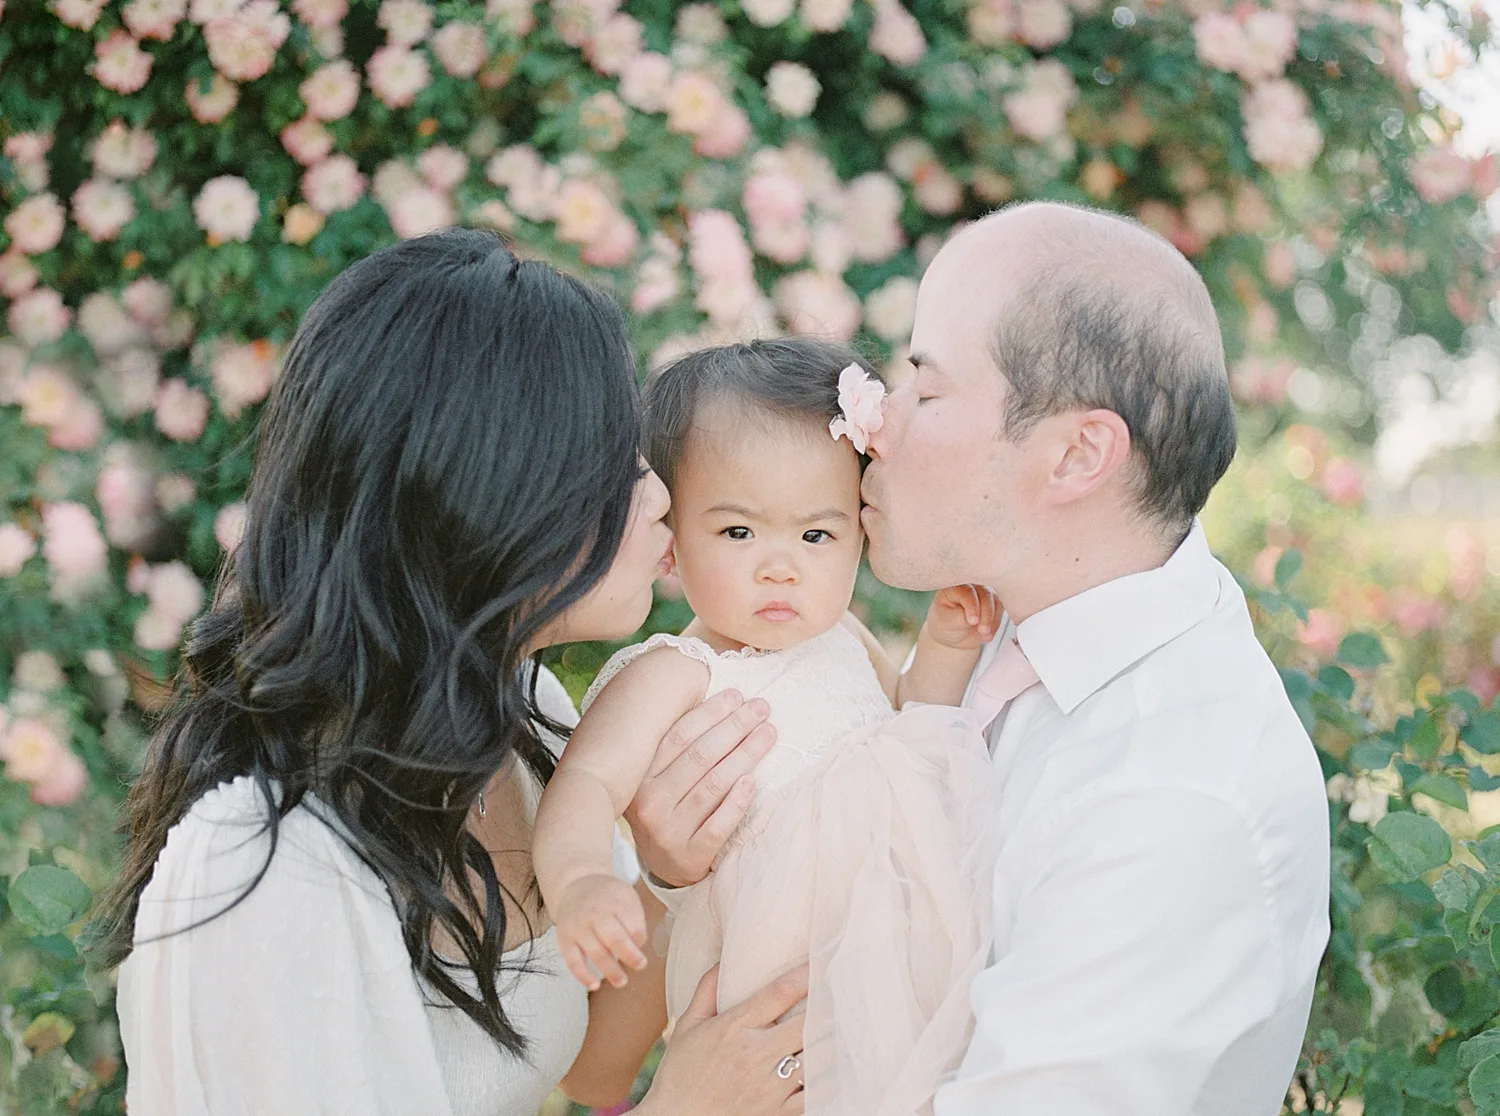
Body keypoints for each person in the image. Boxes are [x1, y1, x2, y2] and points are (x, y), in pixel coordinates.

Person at [625, 202, 1332, 1114]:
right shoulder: (995, 629)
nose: (872, 426)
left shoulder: (1170, 799)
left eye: (924, 386)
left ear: (1077, 454)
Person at [95, 229, 809, 1116]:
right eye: (612, 460)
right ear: (487, 487)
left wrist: (665, 875)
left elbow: (591, 1070)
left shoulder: (516, 721)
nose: (660, 493)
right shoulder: (265, 865)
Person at [532, 339, 1002, 1116]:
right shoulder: (673, 675)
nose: (780, 566)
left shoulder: (844, 639)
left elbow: (908, 727)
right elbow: (585, 783)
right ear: (671, 539)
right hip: (772, 996)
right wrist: (582, 882)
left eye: (816, 536)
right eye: (739, 533)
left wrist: (946, 649)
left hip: (896, 956)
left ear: (860, 533)